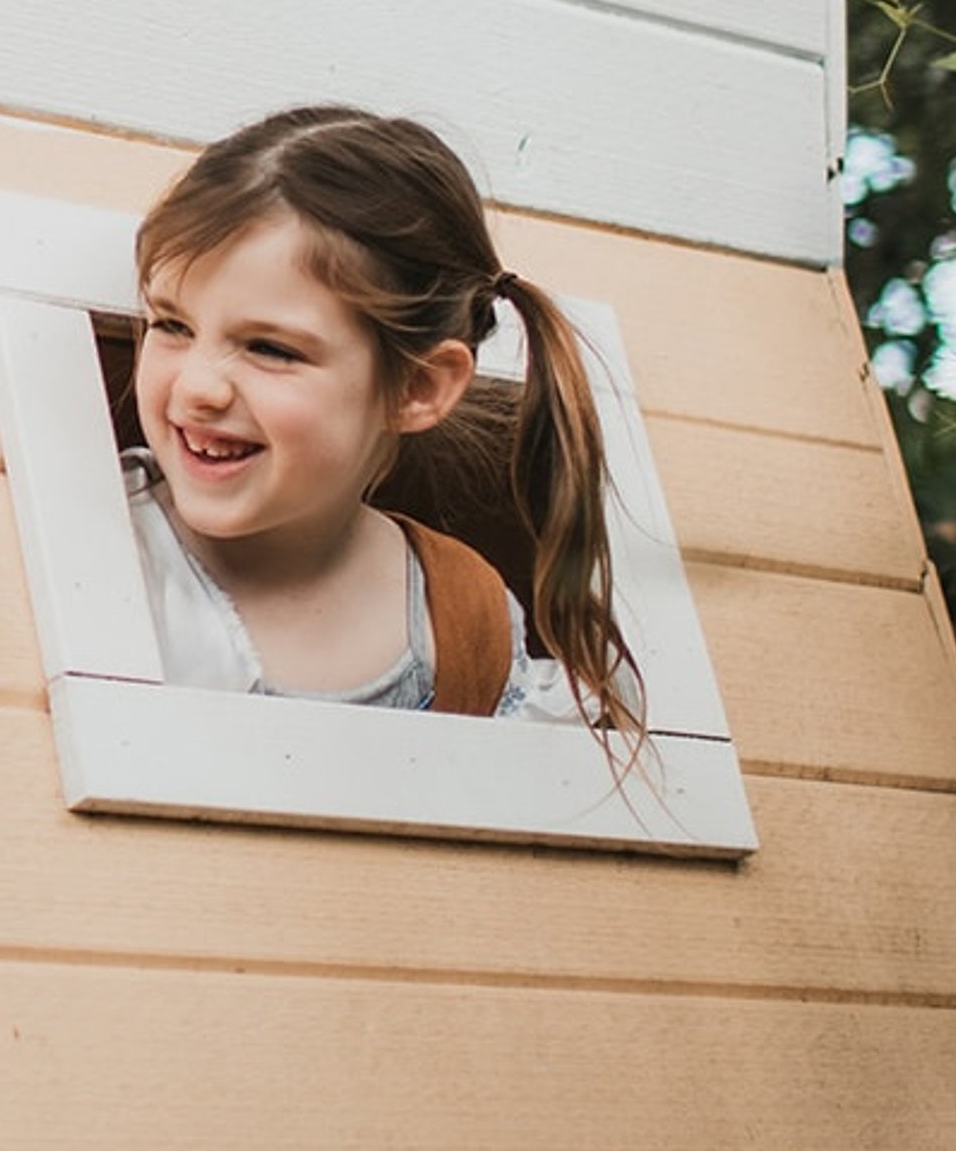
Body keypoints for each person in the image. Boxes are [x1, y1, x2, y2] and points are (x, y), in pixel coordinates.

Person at [120, 105, 646, 750]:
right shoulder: (110, 550)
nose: (198, 387)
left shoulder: (464, 617)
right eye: (172, 325)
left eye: (271, 349)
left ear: (418, 388)